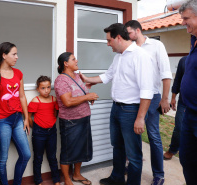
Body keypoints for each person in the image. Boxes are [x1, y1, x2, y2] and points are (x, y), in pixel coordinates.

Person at [80, 23, 154, 185]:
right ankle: (117, 178)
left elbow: (147, 91)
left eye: (109, 40)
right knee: (117, 146)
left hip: (131, 111)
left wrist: (140, 118)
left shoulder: (140, 56)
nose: (108, 44)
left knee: (133, 154)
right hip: (116, 109)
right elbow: (108, 75)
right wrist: (88, 80)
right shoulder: (119, 56)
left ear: (118, 38)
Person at [125, 20, 172, 185]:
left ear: (137, 31)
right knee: (133, 133)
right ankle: (133, 164)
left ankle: (159, 175)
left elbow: (166, 74)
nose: (127, 36)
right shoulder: (129, 48)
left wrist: (165, 99)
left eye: (129, 32)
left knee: (153, 135)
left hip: (152, 97)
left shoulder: (156, 46)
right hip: (132, 98)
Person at [0, 42, 31, 185]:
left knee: (26, 155)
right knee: (2, 160)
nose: (17, 57)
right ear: (4, 55)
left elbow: (22, 97)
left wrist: (26, 118)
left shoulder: (18, 73)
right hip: (2, 121)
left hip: (17, 119)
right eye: (14, 54)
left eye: (17, 54)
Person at [54, 52, 99, 185]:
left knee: (81, 148)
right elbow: (67, 102)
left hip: (84, 117)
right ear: (65, 63)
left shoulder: (78, 76)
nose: (77, 61)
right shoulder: (61, 80)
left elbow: (82, 90)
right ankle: (67, 179)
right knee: (68, 151)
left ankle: (77, 175)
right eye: (73, 59)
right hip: (70, 121)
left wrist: (88, 95)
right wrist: (87, 97)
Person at [28, 76, 60, 185]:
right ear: (38, 89)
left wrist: (50, 123)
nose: (46, 90)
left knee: (52, 157)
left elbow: (55, 114)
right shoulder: (35, 100)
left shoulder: (53, 99)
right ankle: (38, 181)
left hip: (52, 132)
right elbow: (28, 117)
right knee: (38, 158)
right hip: (39, 133)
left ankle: (56, 180)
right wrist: (37, 127)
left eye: (48, 87)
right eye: (43, 88)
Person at [179, 0, 197, 184]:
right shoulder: (193, 40)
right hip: (189, 114)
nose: (182, 22)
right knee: (186, 159)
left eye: (186, 18)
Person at [163, 56, 187, 160]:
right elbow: (177, 80)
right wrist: (173, 97)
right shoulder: (184, 61)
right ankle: (173, 149)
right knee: (179, 127)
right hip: (184, 102)